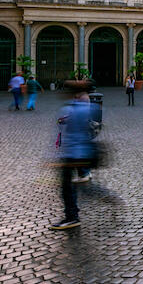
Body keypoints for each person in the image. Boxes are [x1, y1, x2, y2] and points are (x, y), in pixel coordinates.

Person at [50, 80, 101, 230]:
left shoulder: (71, 109)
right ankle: (73, 213)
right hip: (82, 150)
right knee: (69, 185)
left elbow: (69, 131)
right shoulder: (85, 107)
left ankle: (71, 216)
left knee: (66, 186)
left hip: (73, 153)